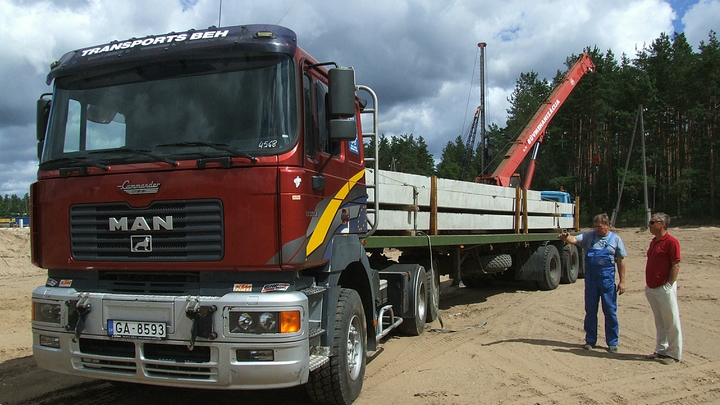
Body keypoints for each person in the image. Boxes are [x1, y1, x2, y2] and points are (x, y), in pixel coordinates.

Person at [559, 213, 627, 352]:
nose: (597, 229)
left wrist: (622, 281)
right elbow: (574, 240)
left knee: (610, 311)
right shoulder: (589, 237)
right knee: (590, 311)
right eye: (595, 226)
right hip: (591, 281)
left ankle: (612, 342)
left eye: (600, 227)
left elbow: (621, 261)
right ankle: (590, 340)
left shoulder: (616, 240)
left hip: (607, 281)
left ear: (607, 225)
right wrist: (566, 238)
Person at [645, 212, 682, 364]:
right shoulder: (654, 241)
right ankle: (661, 350)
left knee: (671, 321)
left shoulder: (671, 242)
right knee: (659, 321)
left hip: (664, 287)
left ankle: (674, 353)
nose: (650, 225)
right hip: (652, 287)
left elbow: (676, 264)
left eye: (653, 222)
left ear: (663, 224)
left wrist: (669, 285)